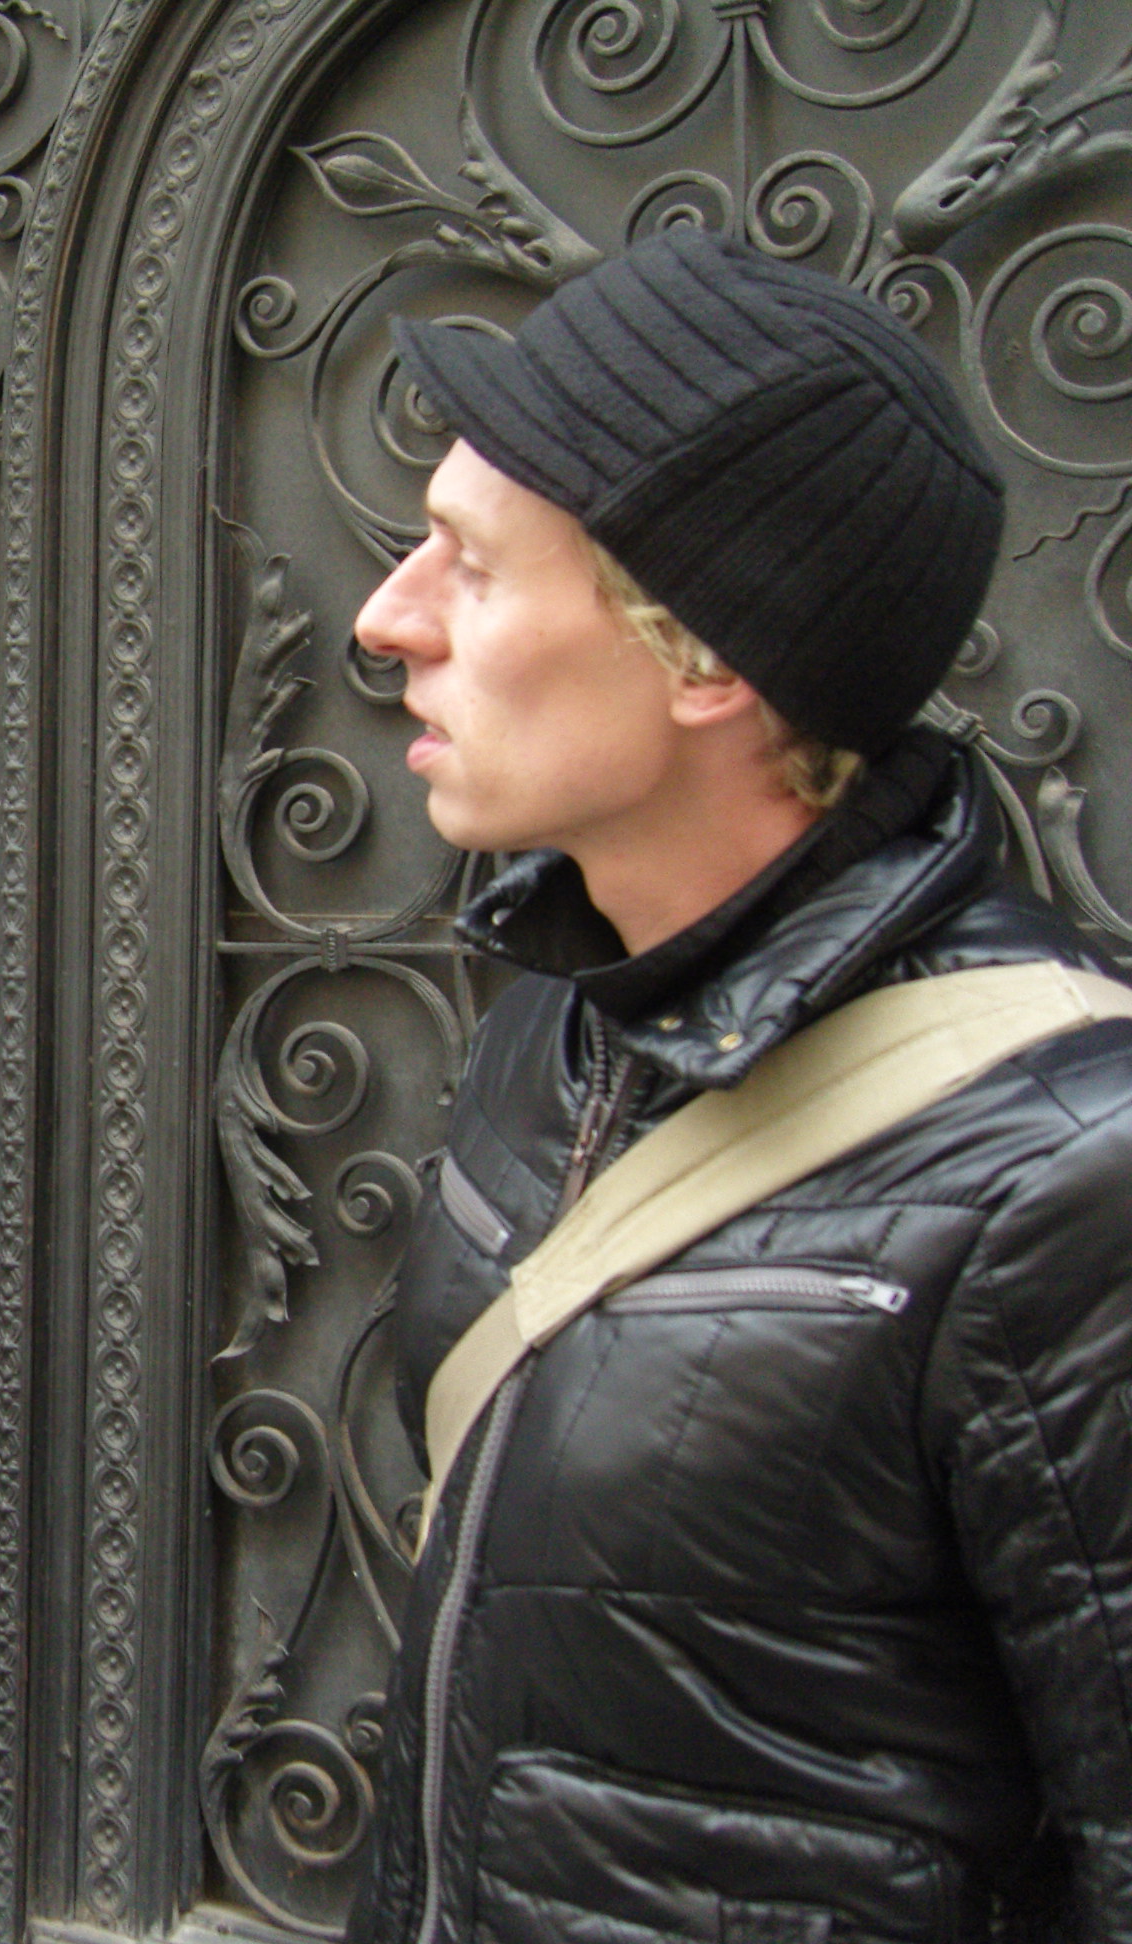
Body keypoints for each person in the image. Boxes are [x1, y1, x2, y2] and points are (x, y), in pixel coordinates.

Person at [344, 228, 1132, 1942]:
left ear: (706, 659)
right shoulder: (550, 1032)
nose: (385, 616)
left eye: (470, 567)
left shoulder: (1071, 1171)